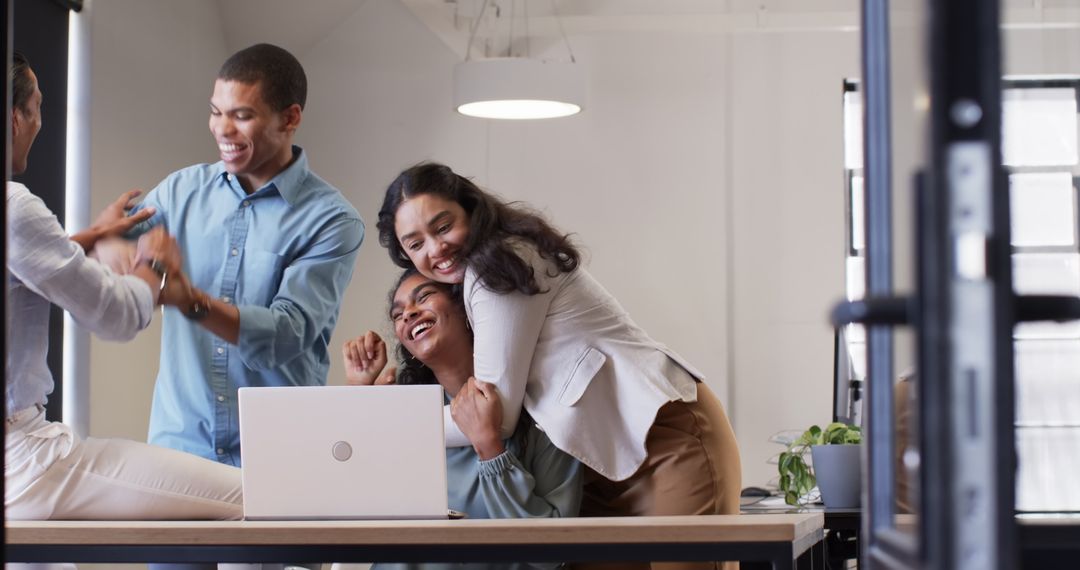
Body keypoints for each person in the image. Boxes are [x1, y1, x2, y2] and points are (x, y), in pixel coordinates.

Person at [378, 163, 742, 570]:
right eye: (415, 244)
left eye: (443, 227)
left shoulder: (500, 263)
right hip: (600, 462)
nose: (434, 249)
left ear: (471, 211)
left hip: (664, 441)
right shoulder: (474, 283)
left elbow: (494, 417)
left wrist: (386, 430)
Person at [5, 51, 242, 521]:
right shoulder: (15, 205)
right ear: (15, 119)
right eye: (37, 107)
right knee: (250, 497)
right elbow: (116, 317)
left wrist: (88, 240)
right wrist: (154, 267)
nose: (39, 123)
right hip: (25, 463)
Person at [129, 43, 364, 466]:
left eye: (242, 115)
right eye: (216, 112)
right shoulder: (179, 192)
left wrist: (190, 300)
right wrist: (110, 241)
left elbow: (285, 334)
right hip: (179, 451)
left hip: (281, 457)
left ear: (290, 118)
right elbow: (118, 250)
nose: (222, 129)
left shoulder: (332, 220)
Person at [339, 269, 582, 570]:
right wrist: (356, 396)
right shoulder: (403, 411)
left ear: (466, 307)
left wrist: (490, 449)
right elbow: (348, 511)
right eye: (398, 314)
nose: (408, 315)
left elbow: (551, 555)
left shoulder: (544, 411)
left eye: (424, 297)